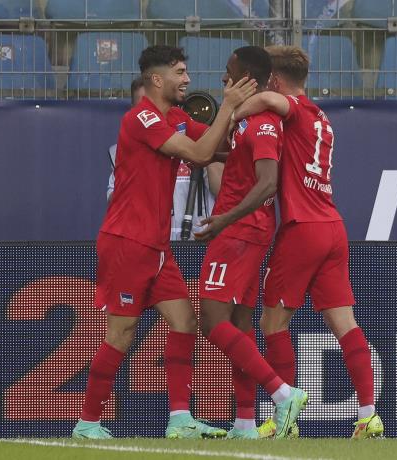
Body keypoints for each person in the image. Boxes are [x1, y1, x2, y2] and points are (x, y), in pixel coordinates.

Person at [73, 45, 256, 440]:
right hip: (128, 242)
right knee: (121, 333)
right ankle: (87, 423)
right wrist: (227, 106)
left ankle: (180, 420)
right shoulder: (140, 118)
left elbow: (219, 147)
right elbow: (200, 154)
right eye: (180, 72)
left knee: (185, 322)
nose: (187, 80)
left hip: (155, 246)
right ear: (157, 79)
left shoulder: (175, 117)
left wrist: (254, 135)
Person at [232, 45, 383, 439]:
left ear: (275, 80)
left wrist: (231, 113)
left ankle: (285, 419)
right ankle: (369, 414)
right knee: (345, 323)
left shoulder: (292, 108)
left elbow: (267, 101)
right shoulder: (322, 118)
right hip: (332, 226)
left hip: (302, 228)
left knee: (272, 323)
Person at [194, 46, 308, 440]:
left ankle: (283, 393)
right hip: (246, 231)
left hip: (239, 232)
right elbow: (240, 161)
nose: (223, 79)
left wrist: (223, 219)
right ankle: (244, 423)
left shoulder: (262, 123)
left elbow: (267, 183)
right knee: (241, 327)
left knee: (212, 321)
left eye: (229, 72)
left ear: (247, 78)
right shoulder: (247, 121)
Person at [107, 77, 224, 240]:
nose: (151, 112)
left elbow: (220, 189)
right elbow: (114, 200)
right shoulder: (122, 150)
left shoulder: (192, 138)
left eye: (156, 104)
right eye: (144, 106)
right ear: (132, 109)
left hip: (197, 237)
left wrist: (206, 147)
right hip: (149, 238)